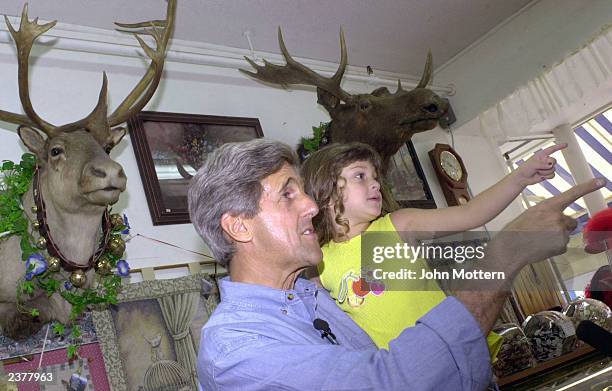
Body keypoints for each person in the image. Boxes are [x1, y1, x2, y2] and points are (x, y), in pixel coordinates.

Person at [188, 138, 605, 390]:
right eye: (287, 195)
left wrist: (520, 179)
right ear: (239, 227)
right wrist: (510, 250)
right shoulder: (237, 350)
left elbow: (473, 214)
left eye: (305, 192)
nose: (311, 205)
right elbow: (393, 381)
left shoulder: (310, 294)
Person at [300, 142, 564, 353]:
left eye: (375, 176)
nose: (375, 183)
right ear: (326, 191)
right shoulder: (318, 262)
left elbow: (472, 214)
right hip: (405, 376)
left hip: (456, 354)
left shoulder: (398, 225)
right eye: (360, 175)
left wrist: (519, 177)